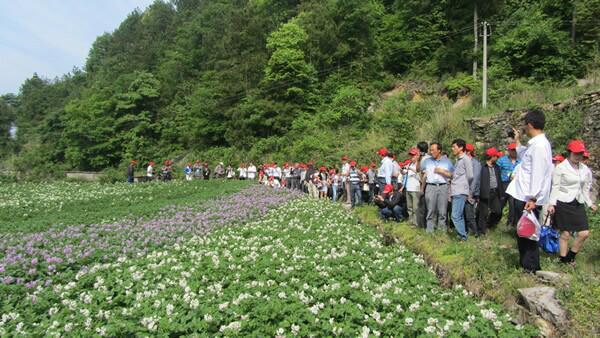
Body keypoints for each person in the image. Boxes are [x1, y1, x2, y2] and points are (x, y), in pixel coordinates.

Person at [506, 109, 553, 273]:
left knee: (528, 232)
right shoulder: (536, 145)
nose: (524, 128)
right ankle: (526, 264)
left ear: (530, 125)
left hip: (528, 197)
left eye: (525, 125)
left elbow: (538, 173)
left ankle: (530, 267)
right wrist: (517, 142)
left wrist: (533, 198)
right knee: (524, 231)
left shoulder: (539, 146)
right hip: (525, 194)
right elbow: (524, 156)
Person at [547, 140, 597, 265]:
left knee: (584, 233)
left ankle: (571, 255)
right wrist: (551, 204)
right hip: (563, 202)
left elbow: (585, 188)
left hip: (578, 202)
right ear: (569, 153)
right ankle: (563, 260)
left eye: (580, 153)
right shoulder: (561, 167)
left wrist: (589, 203)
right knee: (565, 233)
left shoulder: (585, 169)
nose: (578, 156)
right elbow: (555, 187)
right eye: (576, 154)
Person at [438, 139, 472, 241]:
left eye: (454, 147)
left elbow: (470, 176)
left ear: (461, 148)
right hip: (455, 190)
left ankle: (463, 236)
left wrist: (465, 186)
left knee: (455, 216)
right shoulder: (458, 160)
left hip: (460, 190)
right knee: (458, 215)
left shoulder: (466, 159)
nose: (452, 149)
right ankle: (462, 236)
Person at [421, 143, 454, 233]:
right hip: (430, 186)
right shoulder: (427, 161)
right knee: (431, 210)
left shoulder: (447, 161)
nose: (431, 152)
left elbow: (452, 175)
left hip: (443, 186)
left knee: (442, 211)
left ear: (439, 150)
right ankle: (429, 231)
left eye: (433, 150)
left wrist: (443, 172)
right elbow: (420, 171)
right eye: (430, 150)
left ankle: (441, 232)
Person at [477, 148, 503, 236]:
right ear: (492, 156)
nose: (497, 158)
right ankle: (481, 231)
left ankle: (489, 224)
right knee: (483, 213)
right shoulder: (481, 166)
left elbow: (499, 180)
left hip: (495, 192)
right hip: (484, 192)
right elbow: (477, 180)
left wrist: (501, 193)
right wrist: (477, 193)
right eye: (496, 156)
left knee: (498, 211)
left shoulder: (496, 167)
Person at [496, 143, 520, 226]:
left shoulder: (520, 161)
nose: (514, 152)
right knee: (501, 203)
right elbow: (496, 172)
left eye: (515, 150)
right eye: (512, 150)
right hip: (504, 184)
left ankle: (510, 223)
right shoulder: (501, 160)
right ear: (509, 150)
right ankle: (495, 220)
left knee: (512, 204)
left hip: (514, 185)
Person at [464, 144, 481, 236]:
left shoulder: (475, 163)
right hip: (464, 190)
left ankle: (475, 232)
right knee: (464, 212)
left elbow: (475, 179)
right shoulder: (465, 161)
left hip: (471, 192)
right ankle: (466, 230)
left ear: (468, 151)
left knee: (469, 212)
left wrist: (471, 192)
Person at [404, 149, 421, 225]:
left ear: (417, 155)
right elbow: (404, 173)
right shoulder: (409, 164)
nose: (411, 157)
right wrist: (402, 171)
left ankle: (416, 223)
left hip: (416, 189)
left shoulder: (419, 165)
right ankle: (410, 221)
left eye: (413, 155)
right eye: (411, 155)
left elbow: (421, 176)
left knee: (415, 208)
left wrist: (412, 170)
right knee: (409, 207)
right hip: (408, 188)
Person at [415, 141, 430, 228]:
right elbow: (417, 169)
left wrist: (422, 188)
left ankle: (423, 226)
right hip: (422, 184)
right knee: (421, 206)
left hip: (424, 184)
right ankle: (421, 225)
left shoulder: (426, 159)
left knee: (423, 206)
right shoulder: (422, 158)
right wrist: (418, 158)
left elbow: (425, 174)